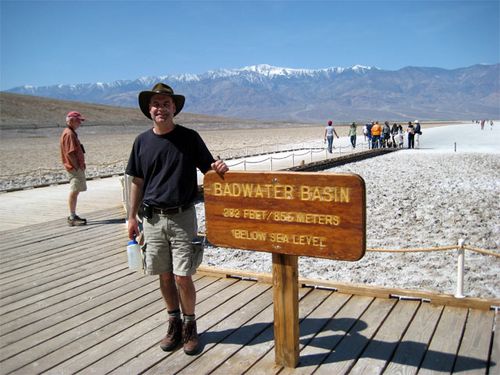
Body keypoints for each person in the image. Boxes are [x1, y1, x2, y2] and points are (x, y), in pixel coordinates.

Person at [126, 83, 229, 355]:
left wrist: (219, 167)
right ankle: (173, 323)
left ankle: (190, 325)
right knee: (164, 275)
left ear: (174, 108)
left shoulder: (189, 138)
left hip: (183, 217)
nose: (161, 108)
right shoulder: (141, 142)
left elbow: (209, 169)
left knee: (183, 276)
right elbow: (136, 181)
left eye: (166, 104)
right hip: (153, 219)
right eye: (156, 104)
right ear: (149, 110)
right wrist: (131, 217)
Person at [60, 111, 87, 226]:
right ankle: (72, 216)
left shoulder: (71, 133)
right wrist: (76, 166)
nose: (80, 123)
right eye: (78, 121)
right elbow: (70, 153)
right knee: (74, 190)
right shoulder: (69, 134)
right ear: (71, 121)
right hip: (74, 168)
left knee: (76, 190)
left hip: (75, 167)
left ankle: (73, 214)